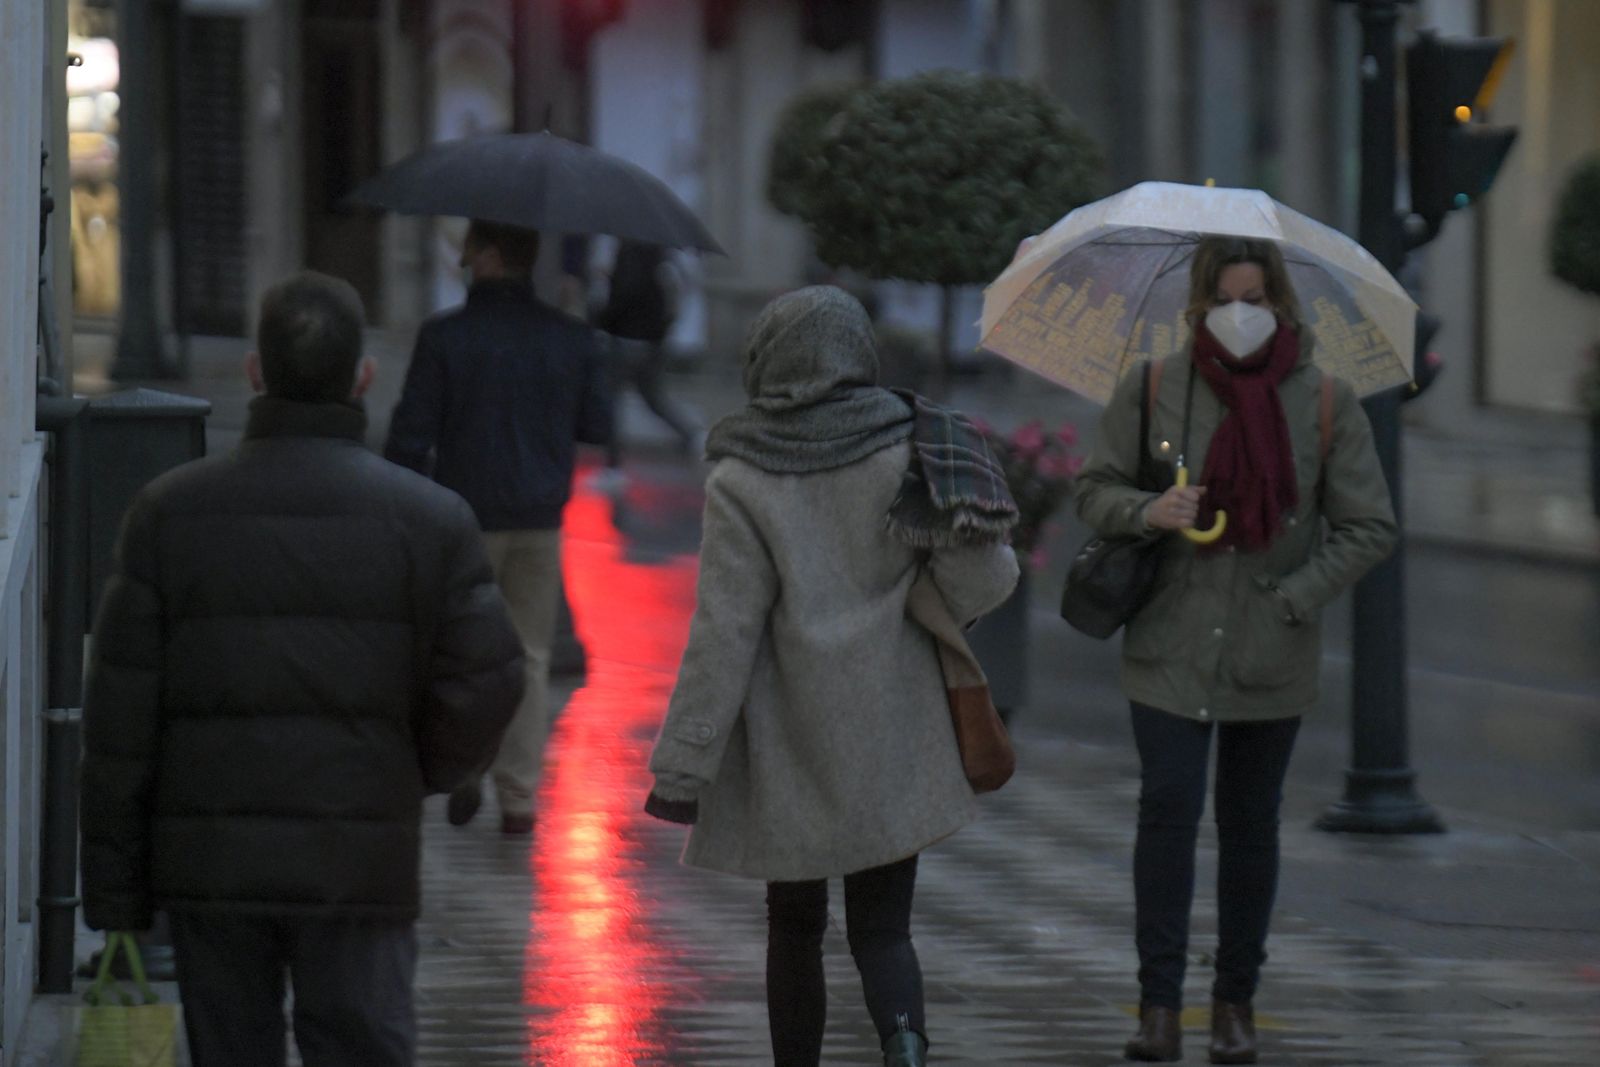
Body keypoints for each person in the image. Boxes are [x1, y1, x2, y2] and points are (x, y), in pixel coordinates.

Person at [79, 271, 525, 1067]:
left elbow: (118, 721)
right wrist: (413, 768)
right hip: (360, 864)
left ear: (256, 371)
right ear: (364, 376)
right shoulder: (431, 520)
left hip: (210, 866)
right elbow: (490, 678)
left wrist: (117, 890)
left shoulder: (167, 513)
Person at [643, 287, 1019, 1067]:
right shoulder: (913, 444)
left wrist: (685, 760)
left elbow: (725, 630)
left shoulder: (743, 474)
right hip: (895, 721)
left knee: (795, 925)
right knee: (885, 928)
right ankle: (907, 1047)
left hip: (790, 738)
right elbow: (989, 577)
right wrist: (924, 597)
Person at [1075, 236, 1398, 1064]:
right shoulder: (1153, 387)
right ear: (1198, 305)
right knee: (1167, 813)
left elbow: (1369, 525)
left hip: (1270, 650)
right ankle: (1158, 1005)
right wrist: (1151, 510)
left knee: (1251, 827)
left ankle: (1234, 1002)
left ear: (1283, 302)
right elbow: (1094, 488)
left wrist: (1296, 595)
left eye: (1257, 298)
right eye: (1226, 298)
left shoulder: (1325, 400)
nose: (1242, 315)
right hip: (1170, 644)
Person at [385, 219, 611, 834]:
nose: (460, 259)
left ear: (488, 258)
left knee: (459, 651)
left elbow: (409, 437)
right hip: (539, 519)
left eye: (467, 250)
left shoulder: (444, 338)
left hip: (463, 521)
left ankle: (465, 769)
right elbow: (598, 425)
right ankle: (519, 797)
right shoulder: (570, 337)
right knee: (531, 657)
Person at [593, 239, 702, 490]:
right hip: (651, 341)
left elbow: (623, 296)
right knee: (653, 398)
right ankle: (693, 435)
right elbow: (672, 303)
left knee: (611, 402)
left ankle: (612, 468)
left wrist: (602, 319)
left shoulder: (630, 252)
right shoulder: (661, 257)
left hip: (624, 339)